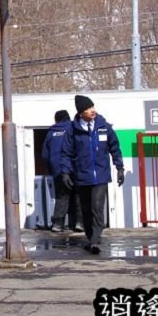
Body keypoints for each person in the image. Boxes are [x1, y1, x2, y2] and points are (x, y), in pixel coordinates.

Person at [60, 94, 124, 255]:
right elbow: (66, 153)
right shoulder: (72, 130)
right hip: (82, 176)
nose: (92, 110)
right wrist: (65, 173)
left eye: (92, 107)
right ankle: (91, 237)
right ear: (81, 113)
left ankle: (95, 240)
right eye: (88, 109)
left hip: (101, 176)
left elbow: (114, 147)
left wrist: (120, 167)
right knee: (86, 210)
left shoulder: (104, 127)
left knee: (97, 207)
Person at [41, 109, 83, 233]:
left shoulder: (51, 133)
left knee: (62, 196)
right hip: (74, 168)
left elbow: (45, 154)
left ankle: (58, 224)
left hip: (58, 170)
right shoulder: (74, 129)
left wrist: (51, 169)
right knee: (78, 195)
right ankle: (79, 223)